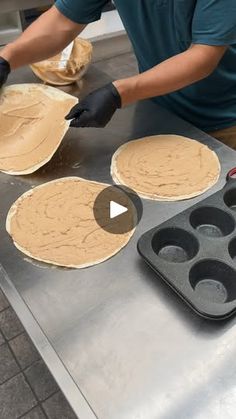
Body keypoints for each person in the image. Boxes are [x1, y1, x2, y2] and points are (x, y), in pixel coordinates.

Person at [0, 1, 236, 147]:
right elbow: (62, 22)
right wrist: (6, 58)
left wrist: (118, 93)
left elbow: (203, 57)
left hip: (223, 120)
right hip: (157, 106)